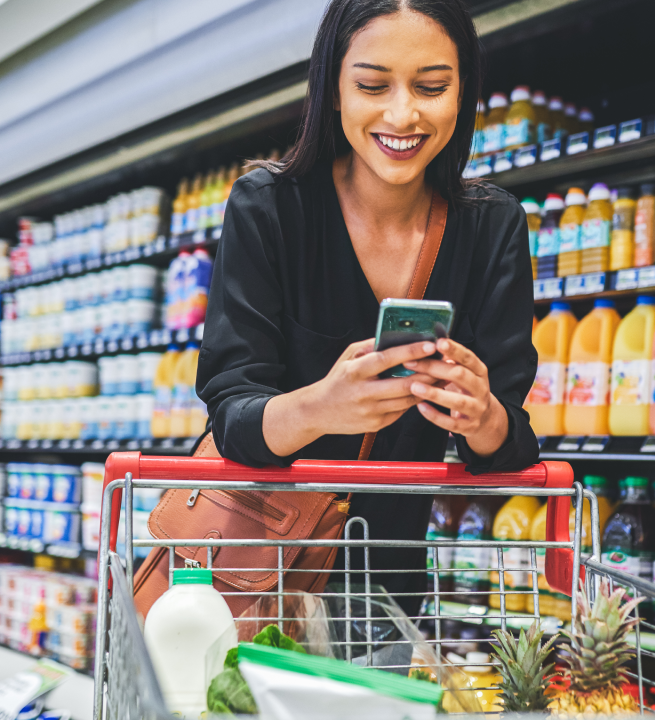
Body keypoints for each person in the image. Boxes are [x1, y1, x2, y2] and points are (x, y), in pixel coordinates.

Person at [196, 0, 539, 612]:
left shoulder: (492, 228)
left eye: (432, 86)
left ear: (462, 94)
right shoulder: (269, 208)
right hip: (256, 576)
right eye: (372, 85)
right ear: (332, 89)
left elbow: (512, 442)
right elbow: (232, 418)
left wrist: (478, 412)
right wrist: (324, 406)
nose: (403, 114)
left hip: (388, 590)